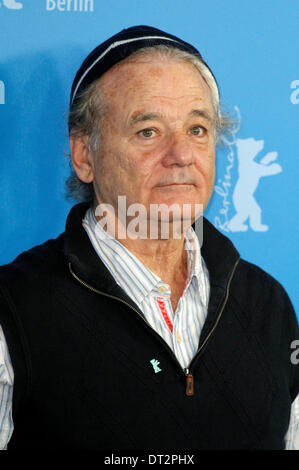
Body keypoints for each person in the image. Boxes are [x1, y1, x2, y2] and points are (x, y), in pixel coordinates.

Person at [0, 25, 298, 450]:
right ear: (85, 155)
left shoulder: (267, 304)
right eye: (148, 132)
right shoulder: (14, 310)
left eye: (197, 129)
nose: (181, 155)